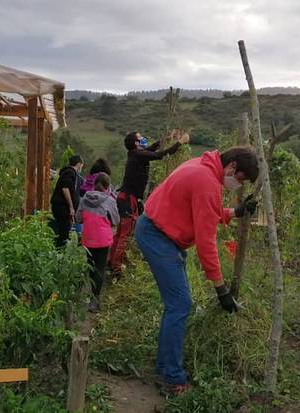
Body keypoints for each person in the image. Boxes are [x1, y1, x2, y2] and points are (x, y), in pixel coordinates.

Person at [134, 147, 259, 396]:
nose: (237, 184)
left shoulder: (203, 166)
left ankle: (164, 366)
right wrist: (221, 289)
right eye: (241, 179)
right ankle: (171, 378)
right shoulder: (206, 181)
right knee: (180, 304)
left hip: (158, 230)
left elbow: (206, 212)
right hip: (158, 236)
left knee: (176, 304)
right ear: (232, 166)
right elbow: (206, 243)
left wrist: (235, 212)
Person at [109, 130, 190, 277]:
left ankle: (112, 261)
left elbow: (150, 150)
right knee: (125, 234)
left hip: (125, 198)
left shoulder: (136, 155)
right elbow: (159, 155)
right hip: (128, 199)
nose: (144, 139)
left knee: (121, 232)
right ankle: (116, 268)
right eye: (141, 138)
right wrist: (180, 142)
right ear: (135, 143)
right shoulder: (138, 155)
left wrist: (165, 138)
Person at [75, 173, 120, 313]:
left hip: (88, 238)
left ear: (94, 185)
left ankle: (91, 294)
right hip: (103, 240)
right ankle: (95, 300)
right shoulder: (110, 201)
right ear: (107, 187)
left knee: (91, 267)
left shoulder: (84, 199)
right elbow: (116, 220)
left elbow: (78, 219)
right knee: (100, 268)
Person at [50, 154, 84, 248]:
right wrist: (71, 206)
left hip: (62, 207)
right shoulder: (70, 173)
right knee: (64, 231)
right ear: (79, 164)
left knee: (63, 230)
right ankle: (60, 250)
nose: (81, 168)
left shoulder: (70, 173)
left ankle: (60, 249)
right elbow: (65, 188)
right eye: (81, 165)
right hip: (62, 207)